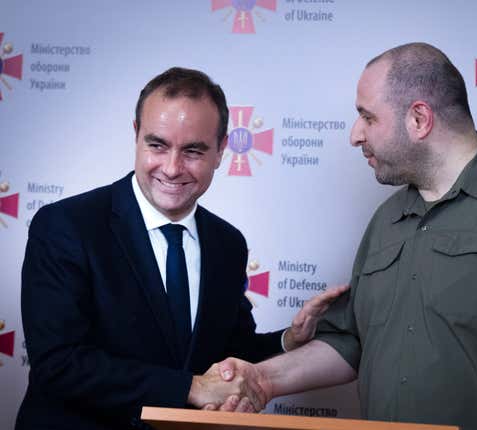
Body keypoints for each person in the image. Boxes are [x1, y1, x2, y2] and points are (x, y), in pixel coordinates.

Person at [214, 43, 477, 430]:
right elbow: (351, 343)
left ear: (419, 118)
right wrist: (264, 379)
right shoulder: (386, 221)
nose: (354, 134)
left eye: (367, 116)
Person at [16, 67, 347, 430]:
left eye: (192, 150)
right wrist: (189, 387)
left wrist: (290, 339)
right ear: (136, 135)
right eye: (157, 145)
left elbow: (226, 354)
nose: (172, 168)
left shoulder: (227, 243)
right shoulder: (66, 225)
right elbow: (59, 363)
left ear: (221, 150)